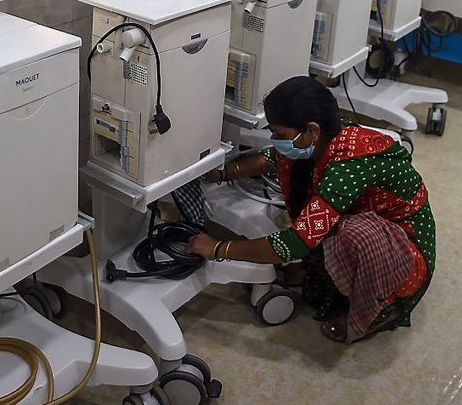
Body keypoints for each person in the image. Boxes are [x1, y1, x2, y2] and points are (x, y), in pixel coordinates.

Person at [187, 76, 436, 343]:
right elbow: (274, 156)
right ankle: (323, 271)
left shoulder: (348, 165)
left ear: (312, 131)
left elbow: (297, 242)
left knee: (353, 233)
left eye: (279, 134)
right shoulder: (327, 140)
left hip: (404, 254)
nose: (275, 140)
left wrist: (217, 249)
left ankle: (380, 305)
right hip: (379, 226)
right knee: (302, 180)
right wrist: (224, 173)